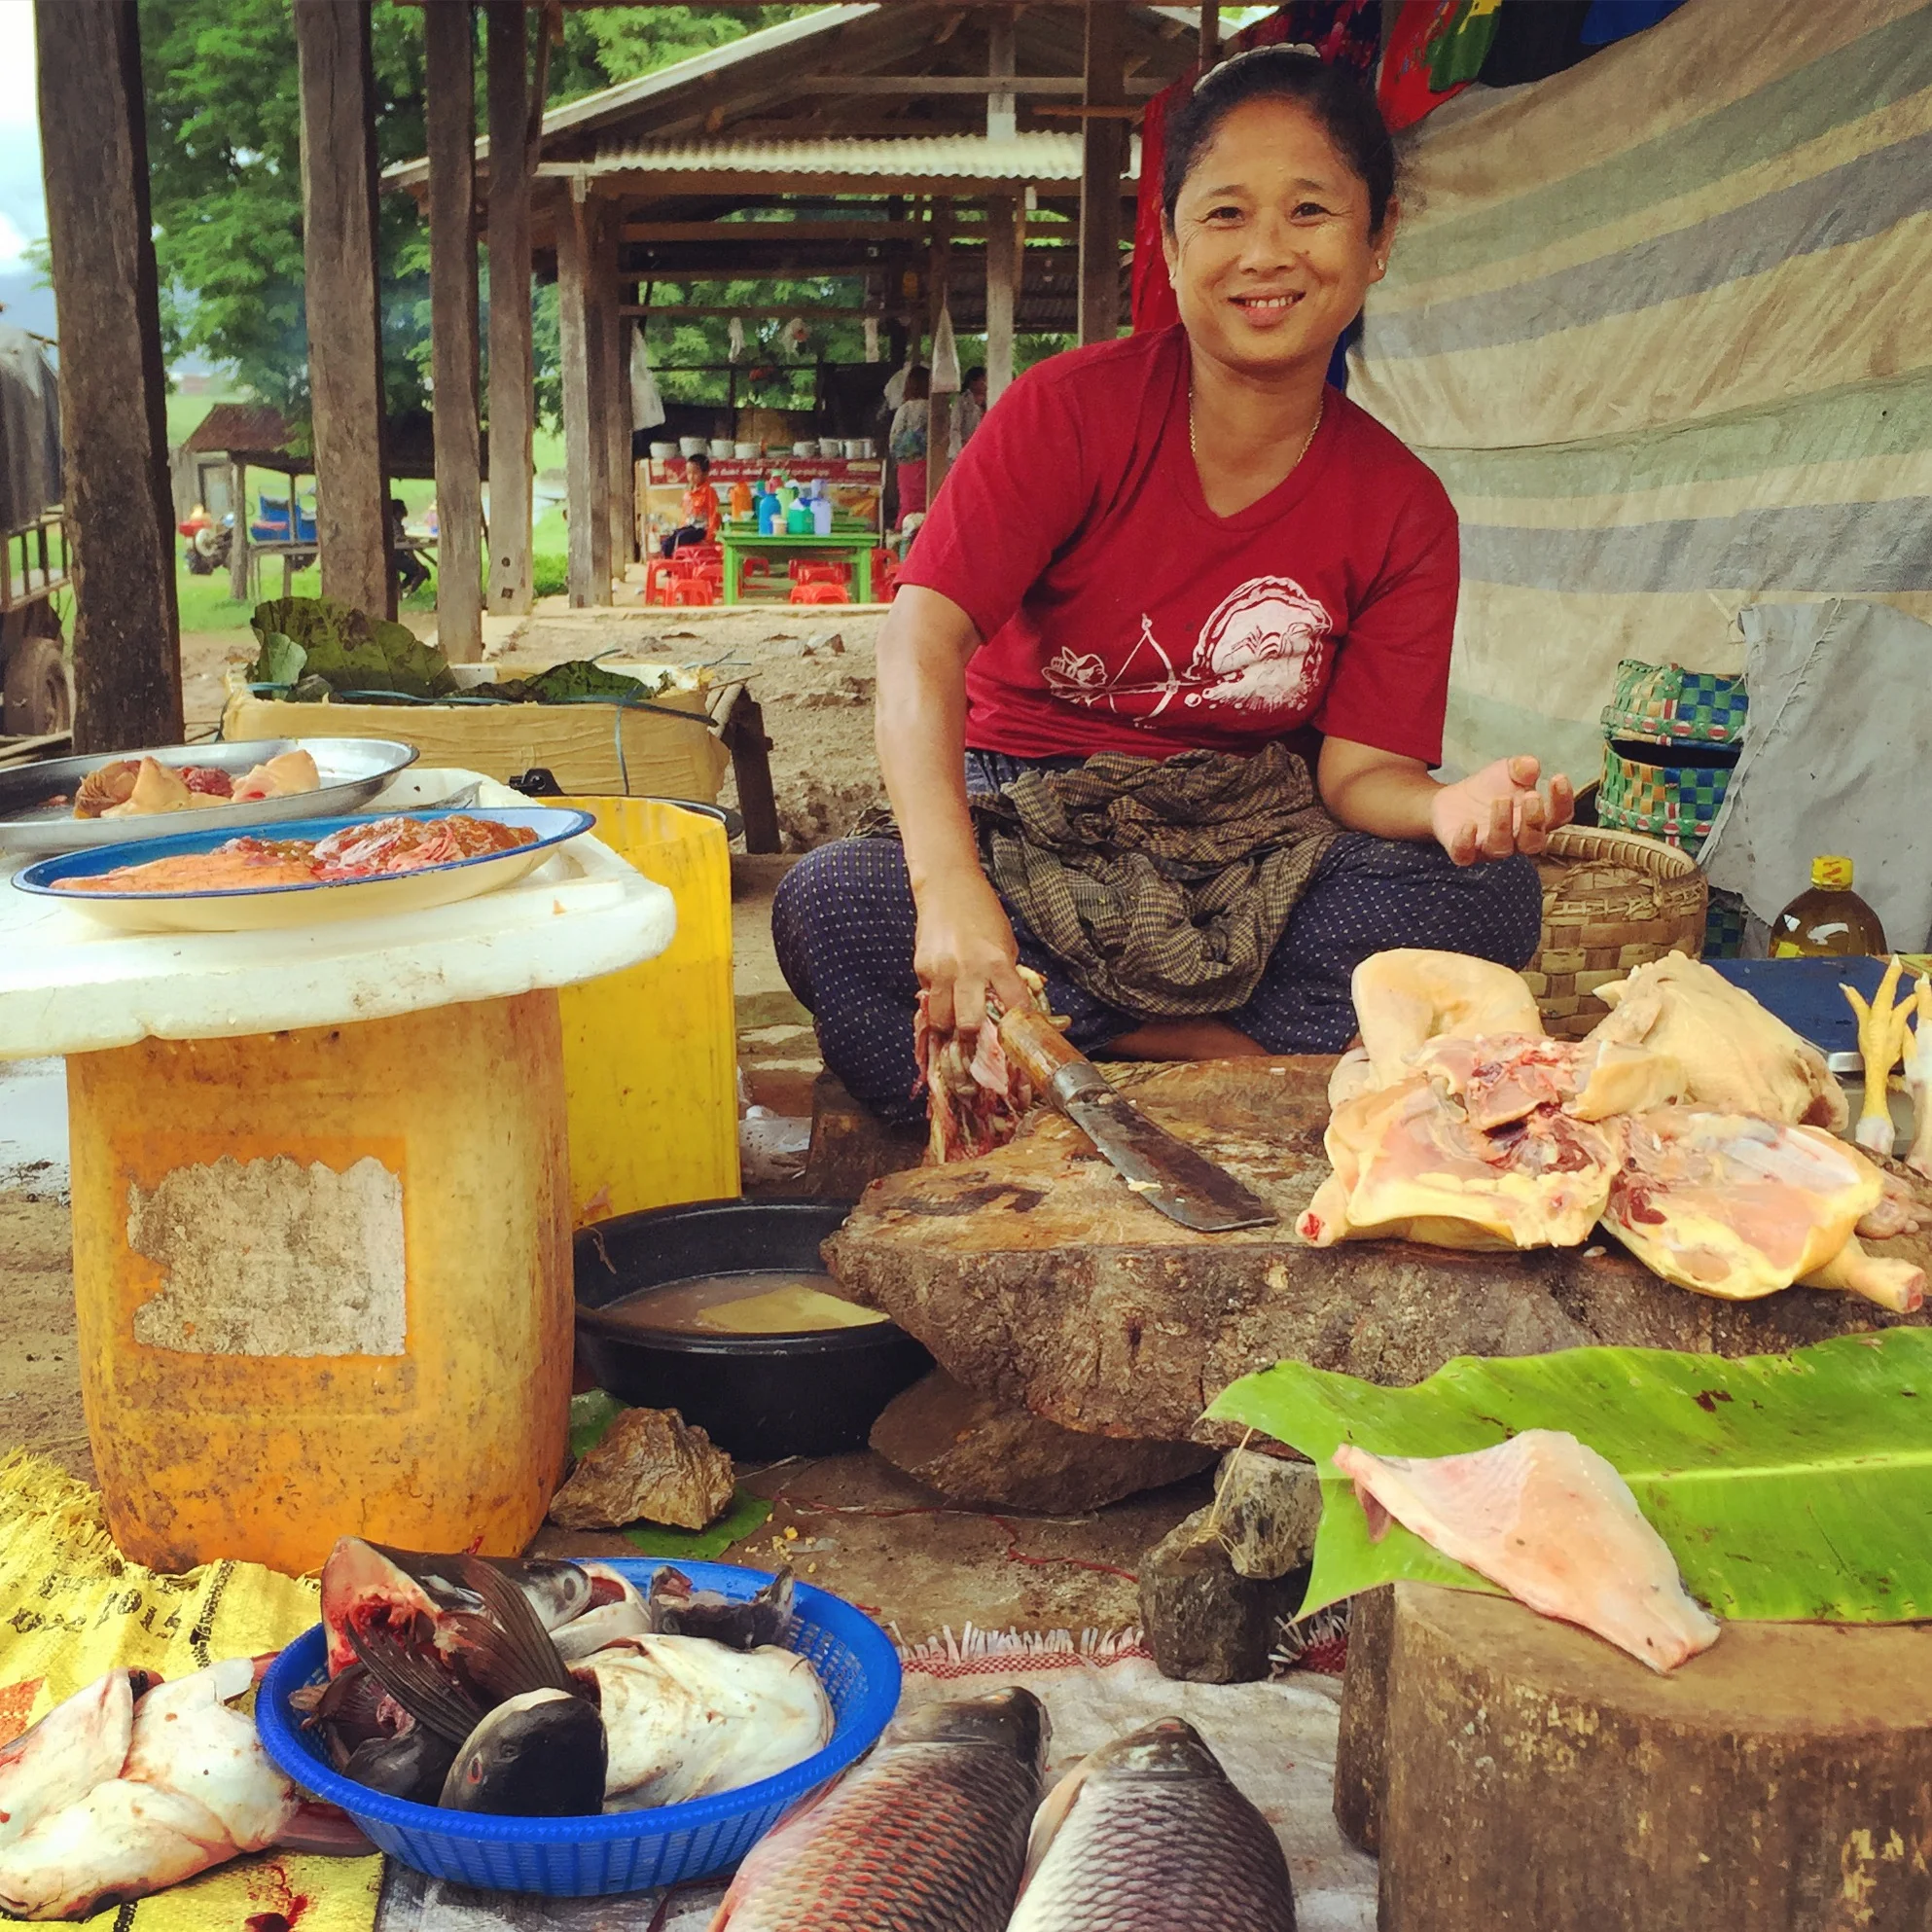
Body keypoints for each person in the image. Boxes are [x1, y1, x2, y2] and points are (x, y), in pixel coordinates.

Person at [773, 48, 1572, 1125]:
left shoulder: (1403, 505)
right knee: (833, 908)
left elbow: (1359, 775)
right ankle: (1237, 1074)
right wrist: (950, 890)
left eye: (1310, 211)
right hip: (1031, 813)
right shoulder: (1068, 415)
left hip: (1251, 844)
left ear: (1378, 239)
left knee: (1485, 899)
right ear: (1170, 241)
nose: (1266, 254)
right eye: (1226, 215)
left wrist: (1447, 805)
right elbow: (922, 642)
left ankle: (1096, 1066)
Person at [887, 367, 931, 529]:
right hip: (928, 464)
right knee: (927, 504)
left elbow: (893, 440)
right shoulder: (933, 408)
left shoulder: (904, 409)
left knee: (908, 504)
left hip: (906, 466)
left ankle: (901, 538)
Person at [661, 451, 720, 557]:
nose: (691, 477)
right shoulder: (688, 492)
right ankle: (671, 569)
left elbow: (713, 515)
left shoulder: (709, 492)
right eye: (688, 473)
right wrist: (680, 527)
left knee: (681, 537)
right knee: (667, 541)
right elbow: (685, 514)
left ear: (705, 473)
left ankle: (678, 565)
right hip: (687, 528)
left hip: (700, 530)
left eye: (695, 473)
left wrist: (709, 537)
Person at [389, 498, 429, 596]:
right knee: (418, 571)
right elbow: (399, 539)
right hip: (396, 556)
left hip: (398, 555)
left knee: (416, 570)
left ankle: (402, 590)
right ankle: (405, 591)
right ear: (398, 512)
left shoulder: (394, 523)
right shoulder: (394, 524)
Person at [949, 366, 989, 457]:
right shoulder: (962, 401)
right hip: (966, 447)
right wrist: (959, 451)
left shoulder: (990, 399)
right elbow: (955, 427)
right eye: (983, 381)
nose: (986, 384)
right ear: (973, 382)